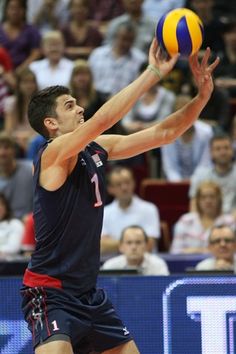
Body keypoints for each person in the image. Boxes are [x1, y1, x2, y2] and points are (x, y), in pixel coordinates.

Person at [20, 38, 219, 354]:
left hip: (88, 294)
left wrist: (201, 98)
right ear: (51, 123)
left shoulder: (96, 148)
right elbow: (103, 119)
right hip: (50, 292)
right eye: (70, 106)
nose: (81, 107)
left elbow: (164, 134)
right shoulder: (52, 153)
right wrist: (152, 72)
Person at [101, 166, 161, 254]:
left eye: (127, 182)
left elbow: (149, 244)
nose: (124, 188)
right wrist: (137, 242)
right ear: (110, 189)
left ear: (134, 183)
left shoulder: (149, 209)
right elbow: (102, 246)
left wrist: (114, 243)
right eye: (118, 184)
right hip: (113, 264)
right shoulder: (104, 212)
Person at [171, 181, 235, 254]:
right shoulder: (185, 220)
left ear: (219, 199)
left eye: (212, 196)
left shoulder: (230, 222)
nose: (208, 201)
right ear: (197, 201)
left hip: (222, 264)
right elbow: (175, 252)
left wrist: (195, 250)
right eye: (203, 197)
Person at [189, 133, 236, 215]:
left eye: (226, 148)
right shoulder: (200, 175)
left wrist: (229, 222)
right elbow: (194, 206)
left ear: (232, 150)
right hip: (207, 223)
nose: (223, 152)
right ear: (211, 153)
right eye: (218, 149)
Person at [101, 225, 169, 275]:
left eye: (138, 242)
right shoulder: (110, 266)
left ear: (146, 245)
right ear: (121, 246)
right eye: (129, 243)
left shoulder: (158, 265)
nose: (134, 247)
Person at [0, 0, 41, 73]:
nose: (15, 12)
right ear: (6, 10)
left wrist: (21, 69)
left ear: (24, 10)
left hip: (25, 73)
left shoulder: (31, 31)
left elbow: (36, 53)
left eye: (18, 8)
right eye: (12, 8)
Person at [3, 68, 38, 153]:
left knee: (36, 143)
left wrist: (28, 139)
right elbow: (9, 130)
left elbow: (39, 130)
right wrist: (20, 139)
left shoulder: (40, 104)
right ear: (19, 85)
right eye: (25, 82)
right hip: (16, 140)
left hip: (34, 139)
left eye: (32, 82)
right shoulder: (11, 102)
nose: (29, 85)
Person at [0, 134, 33, 219]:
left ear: (14, 150)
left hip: (33, 224)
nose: (2, 153)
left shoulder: (31, 169)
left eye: (6, 147)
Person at [0, 192, 24, 256]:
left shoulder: (15, 224)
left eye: (2, 204)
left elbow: (14, 248)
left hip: (8, 264)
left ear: (6, 207)